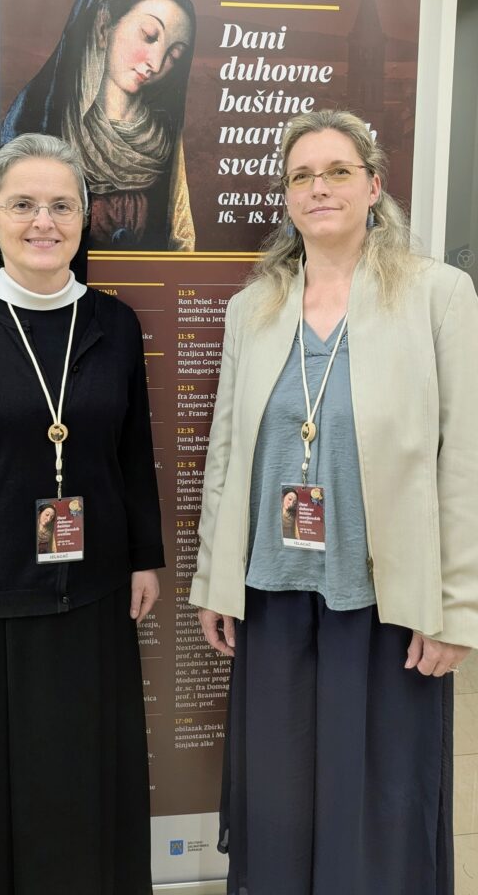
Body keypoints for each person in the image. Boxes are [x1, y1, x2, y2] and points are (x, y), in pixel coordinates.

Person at [190, 108, 478, 895]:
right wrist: (215, 579)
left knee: (375, 794)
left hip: (388, 598)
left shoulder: (439, 295)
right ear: (287, 196)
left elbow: (463, 462)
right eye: (302, 176)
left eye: (338, 171)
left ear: (374, 185)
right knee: (280, 789)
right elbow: (227, 452)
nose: (319, 188)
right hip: (272, 590)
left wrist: (457, 608)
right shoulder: (253, 307)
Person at [0, 133, 163, 895]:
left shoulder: (115, 325)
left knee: (87, 786)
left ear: (84, 219)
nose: (43, 221)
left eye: (61, 205)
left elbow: (132, 452)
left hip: (96, 598)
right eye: (23, 204)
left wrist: (144, 556)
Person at [2, 0, 197, 252]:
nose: (156, 64)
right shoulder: (40, 120)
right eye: (149, 36)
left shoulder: (164, 135)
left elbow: (177, 239)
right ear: (104, 25)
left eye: (174, 55)